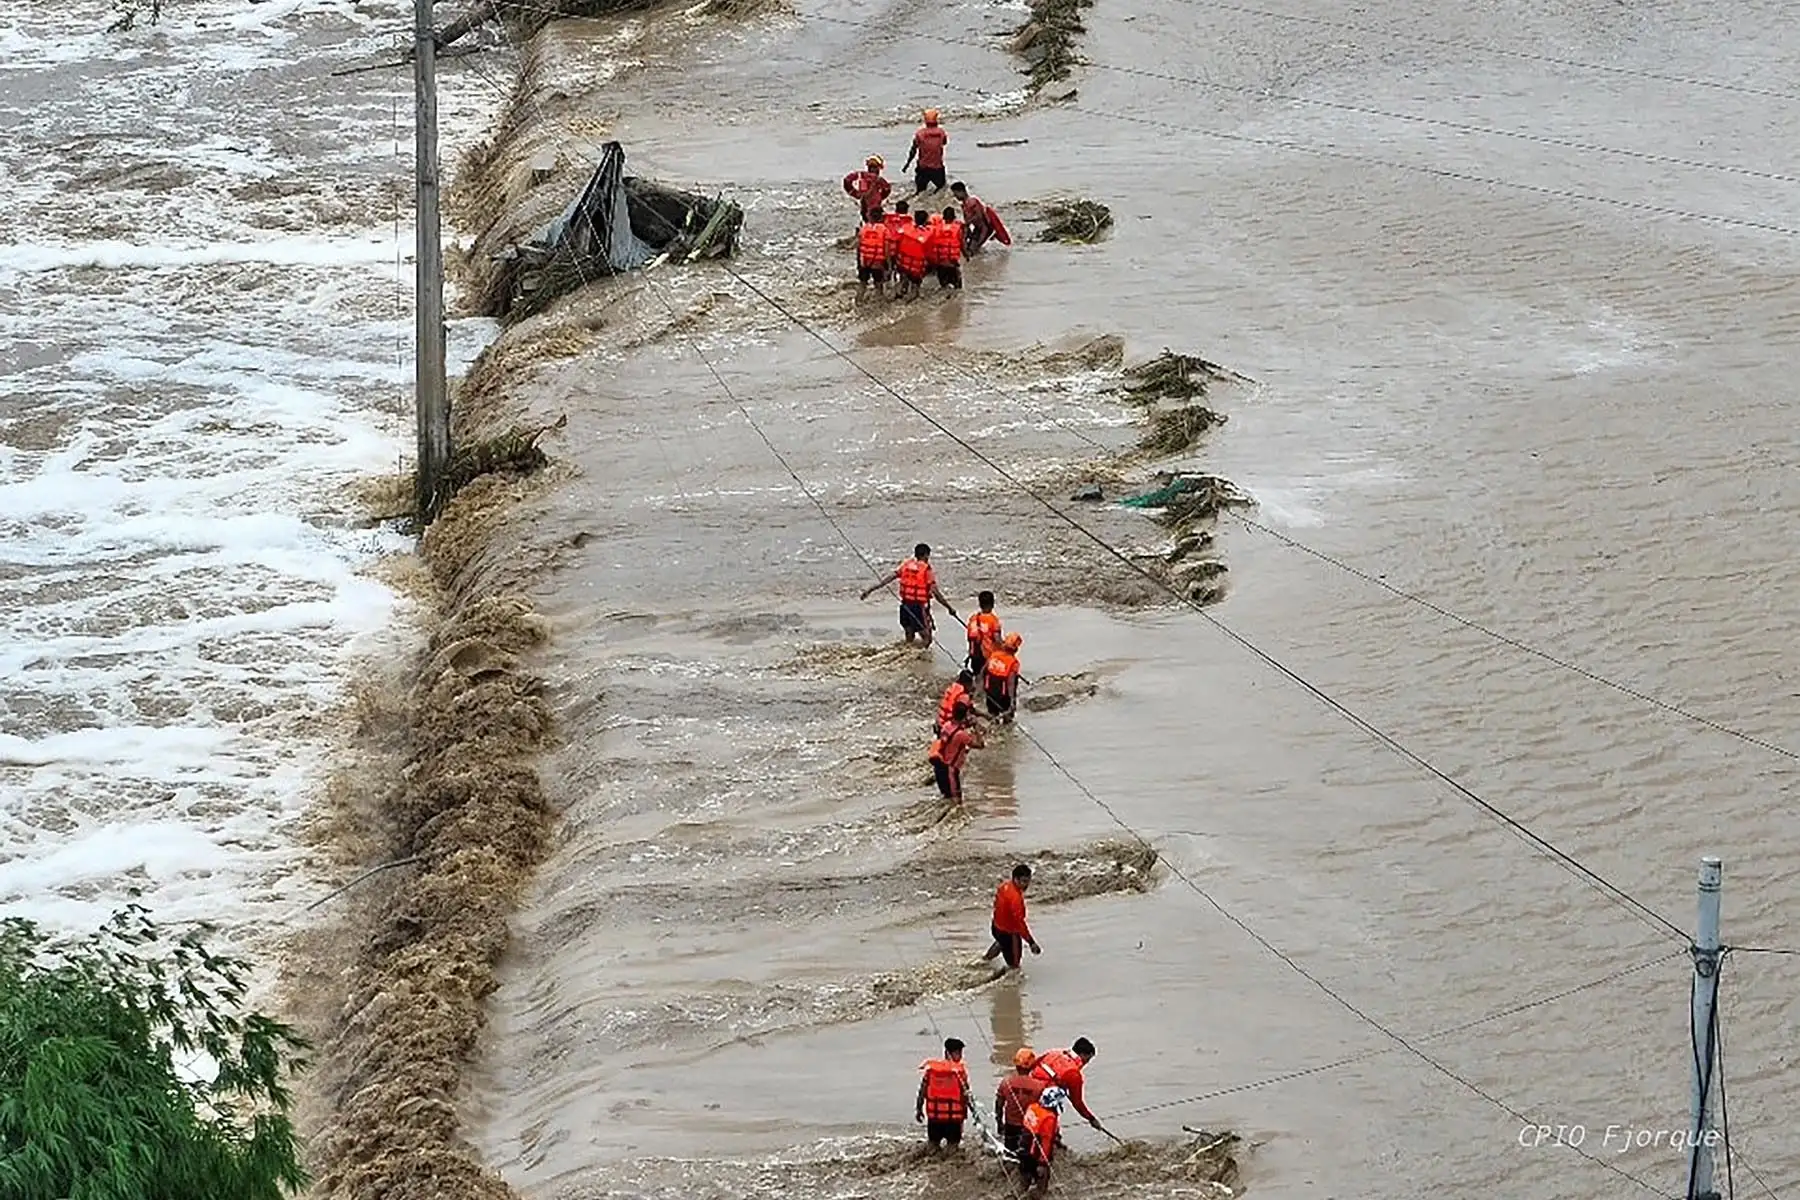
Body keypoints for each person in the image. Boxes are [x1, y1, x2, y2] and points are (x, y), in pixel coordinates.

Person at [861, 542, 957, 645]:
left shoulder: (906, 566)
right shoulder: (926, 570)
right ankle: (916, 658)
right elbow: (936, 593)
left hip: (905, 606)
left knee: (909, 636)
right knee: (927, 638)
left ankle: (907, 654)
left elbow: (887, 579)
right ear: (926, 555)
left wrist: (870, 590)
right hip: (918, 608)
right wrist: (949, 608)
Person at [1030, 1039, 1103, 1133]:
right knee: (1047, 1129)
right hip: (1046, 1101)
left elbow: (1032, 1065)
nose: (1086, 1064)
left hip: (1028, 1091)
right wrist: (1091, 1118)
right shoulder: (1074, 1073)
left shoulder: (1053, 1053)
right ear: (1082, 1055)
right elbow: (1077, 1102)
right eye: (1087, 1060)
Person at [916, 1036, 972, 1149]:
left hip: (935, 1117)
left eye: (961, 1053)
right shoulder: (960, 1073)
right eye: (958, 1053)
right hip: (954, 1119)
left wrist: (919, 1109)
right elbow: (966, 1095)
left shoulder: (931, 1071)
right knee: (953, 1148)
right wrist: (972, 1111)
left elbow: (922, 1091)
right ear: (947, 1053)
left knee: (932, 1146)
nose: (960, 1056)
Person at [984, 863, 1041, 971]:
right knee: (1014, 967)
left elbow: (996, 905)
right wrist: (1031, 942)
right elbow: (1020, 924)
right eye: (1024, 881)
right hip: (1009, 933)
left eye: (1028, 881)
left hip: (996, 927)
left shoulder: (1004, 886)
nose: (1027, 885)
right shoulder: (1016, 899)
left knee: (1001, 943)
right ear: (1016, 879)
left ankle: (985, 960)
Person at [996, 1046, 1047, 1160]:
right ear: (1032, 1065)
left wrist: (999, 1122)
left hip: (1011, 1125)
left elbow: (999, 1105)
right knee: (1029, 1156)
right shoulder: (1040, 1086)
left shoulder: (1006, 1082)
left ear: (1016, 1065)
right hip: (1030, 1127)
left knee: (1010, 1156)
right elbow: (1044, 1111)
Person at [928, 699, 984, 802]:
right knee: (957, 803)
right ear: (964, 716)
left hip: (940, 768)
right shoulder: (961, 735)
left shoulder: (947, 726)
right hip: (951, 772)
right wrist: (976, 727)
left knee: (947, 799)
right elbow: (980, 745)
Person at [1019, 1085, 1067, 1196]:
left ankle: (1021, 1193)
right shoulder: (1049, 1117)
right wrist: (1043, 1162)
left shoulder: (1032, 1107)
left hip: (1023, 1147)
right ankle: (1039, 1194)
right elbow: (1046, 1141)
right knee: (1043, 1178)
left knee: (1025, 1176)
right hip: (1035, 1152)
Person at [951, 181, 1011, 253]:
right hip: (977, 229)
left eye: (956, 193)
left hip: (984, 228)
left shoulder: (973, 202)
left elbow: (979, 216)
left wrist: (968, 222)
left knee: (973, 249)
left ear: (961, 191)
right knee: (967, 248)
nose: (955, 196)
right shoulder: (963, 205)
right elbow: (967, 223)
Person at [904, 108, 949, 195]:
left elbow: (913, 150)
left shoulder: (919, 134)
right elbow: (944, 143)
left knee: (920, 192)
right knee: (942, 189)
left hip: (923, 168)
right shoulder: (941, 133)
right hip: (937, 168)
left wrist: (907, 164)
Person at [892, 209, 932, 300]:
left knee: (903, 280)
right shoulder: (928, 234)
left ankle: (899, 294)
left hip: (902, 263)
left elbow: (896, 239)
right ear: (926, 221)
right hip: (916, 266)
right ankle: (908, 301)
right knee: (915, 288)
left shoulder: (905, 227)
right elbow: (929, 253)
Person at [983, 632, 1022, 722]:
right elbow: (1010, 683)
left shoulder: (994, 655)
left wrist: (983, 689)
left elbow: (984, 671)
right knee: (1007, 718)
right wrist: (1012, 701)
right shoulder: (1013, 662)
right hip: (1003, 696)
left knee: (993, 716)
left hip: (990, 693)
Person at [844, 155, 892, 221]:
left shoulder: (860, 175)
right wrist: (881, 197)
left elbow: (847, 180)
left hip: (864, 207)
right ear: (878, 168)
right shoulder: (879, 180)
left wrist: (854, 193)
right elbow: (887, 189)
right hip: (876, 209)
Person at [965, 591, 1002, 676]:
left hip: (975, 655)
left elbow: (970, 637)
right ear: (992, 604)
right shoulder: (993, 621)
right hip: (988, 656)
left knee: (977, 676)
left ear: (980, 604)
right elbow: (997, 640)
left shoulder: (973, 618)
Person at [856, 207, 891, 297]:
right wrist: (888, 264)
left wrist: (859, 263)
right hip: (877, 262)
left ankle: (858, 301)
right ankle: (878, 305)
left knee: (862, 284)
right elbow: (886, 249)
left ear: (869, 216)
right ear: (881, 217)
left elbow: (858, 247)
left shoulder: (863, 229)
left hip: (865, 261)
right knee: (878, 284)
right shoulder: (884, 230)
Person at [935, 670, 977, 736]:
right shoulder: (964, 696)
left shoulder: (952, 687)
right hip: (948, 724)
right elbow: (971, 710)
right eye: (971, 683)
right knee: (973, 720)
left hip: (940, 722)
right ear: (967, 683)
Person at [933, 206, 965, 289]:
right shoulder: (958, 229)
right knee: (958, 289)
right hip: (952, 265)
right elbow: (962, 244)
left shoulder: (937, 229)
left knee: (944, 287)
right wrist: (967, 255)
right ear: (954, 217)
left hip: (941, 265)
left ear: (943, 217)